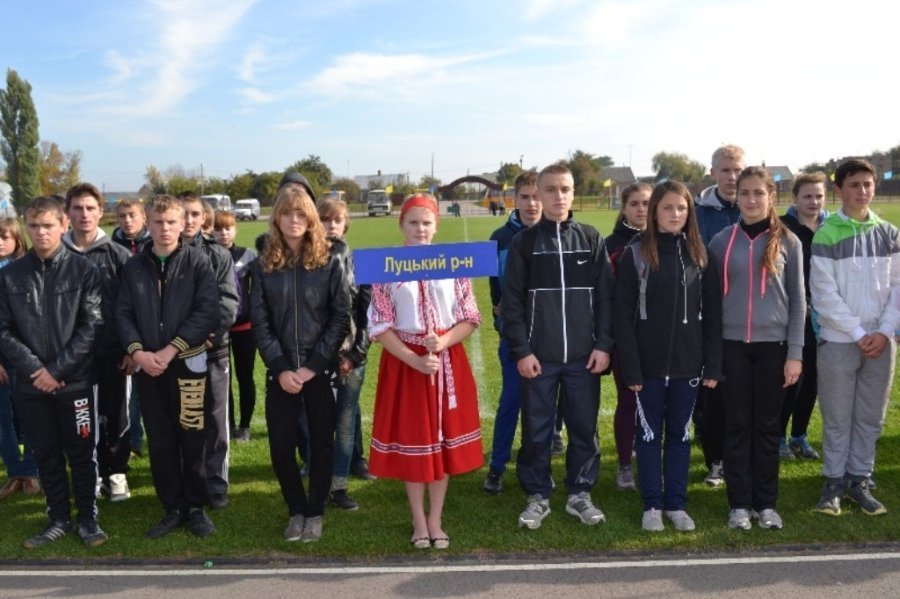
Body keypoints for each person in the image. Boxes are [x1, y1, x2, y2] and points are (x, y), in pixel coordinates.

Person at [368, 192, 483, 549]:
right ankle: (419, 521)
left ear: (436, 226)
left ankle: (436, 520)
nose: (420, 229)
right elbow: (380, 325)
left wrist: (444, 340)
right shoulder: (386, 267)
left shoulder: (453, 264)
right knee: (415, 441)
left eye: (426, 222)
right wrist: (415, 359)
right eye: (413, 222)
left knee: (442, 441)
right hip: (406, 363)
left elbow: (470, 315)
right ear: (401, 224)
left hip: (446, 359)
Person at [502, 163, 614, 530]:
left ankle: (580, 492)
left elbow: (606, 298)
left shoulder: (591, 238)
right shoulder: (524, 243)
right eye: (550, 189)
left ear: (573, 192)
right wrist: (523, 351)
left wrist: (603, 345)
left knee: (583, 427)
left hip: (584, 357)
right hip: (540, 357)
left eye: (564, 189)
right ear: (538, 194)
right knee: (537, 430)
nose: (558, 196)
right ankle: (537, 495)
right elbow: (512, 303)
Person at [614, 181, 723, 532]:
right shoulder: (635, 254)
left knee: (680, 435)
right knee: (648, 437)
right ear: (654, 212)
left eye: (681, 208)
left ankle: (676, 504)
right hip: (646, 368)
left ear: (689, 212)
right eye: (667, 208)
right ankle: (652, 505)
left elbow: (714, 314)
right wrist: (631, 368)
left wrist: (713, 363)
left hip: (688, 367)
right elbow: (622, 318)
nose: (675, 214)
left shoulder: (701, 255)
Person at [0, 196, 105, 548]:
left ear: (63, 224)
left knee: (82, 454)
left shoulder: (85, 271)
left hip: (75, 383)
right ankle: (58, 518)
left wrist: (57, 370)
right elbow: (3, 330)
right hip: (31, 386)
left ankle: (88, 519)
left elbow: (92, 326)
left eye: (48, 225)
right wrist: (36, 370)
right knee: (45, 454)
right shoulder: (10, 275)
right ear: (26, 228)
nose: (41, 232)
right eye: (34, 226)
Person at [116, 194, 220, 538]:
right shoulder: (134, 266)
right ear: (148, 223)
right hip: (149, 368)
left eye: (172, 222)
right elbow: (123, 313)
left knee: (193, 437)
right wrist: (139, 353)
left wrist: (172, 349)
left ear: (183, 223)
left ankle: (196, 507)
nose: (165, 228)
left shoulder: (199, 262)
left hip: (188, 365)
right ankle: (172, 507)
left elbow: (207, 311)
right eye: (158, 222)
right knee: (160, 440)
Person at [251, 185, 350, 543]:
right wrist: (280, 367)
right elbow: (260, 320)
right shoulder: (265, 262)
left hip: (318, 370)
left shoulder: (329, 259)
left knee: (321, 444)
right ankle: (296, 509)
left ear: (310, 219)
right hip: (281, 371)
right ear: (276, 217)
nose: (293, 220)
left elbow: (340, 315)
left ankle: (316, 510)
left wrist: (314, 365)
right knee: (281, 446)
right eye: (286, 213)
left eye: (300, 214)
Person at [708, 166, 805, 531]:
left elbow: (799, 302)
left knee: (766, 428)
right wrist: (712, 354)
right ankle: (738, 504)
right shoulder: (721, 241)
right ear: (737, 197)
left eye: (758, 193)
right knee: (736, 426)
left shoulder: (789, 242)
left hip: (774, 349)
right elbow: (710, 303)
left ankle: (765, 504)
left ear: (770, 197)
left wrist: (794, 353)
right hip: (731, 347)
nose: (751, 200)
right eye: (744, 193)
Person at [811, 158, 900, 517]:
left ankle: (859, 479)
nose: (862, 191)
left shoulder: (890, 233)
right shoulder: (826, 233)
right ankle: (833, 482)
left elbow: (898, 288)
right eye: (854, 185)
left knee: (870, 417)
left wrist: (885, 331)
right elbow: (823, 294)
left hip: (881, 342)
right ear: (839, 190)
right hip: (839, 341)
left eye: (867, 184)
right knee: (837, 417)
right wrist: (860, 333)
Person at [63, 183, 133, 502]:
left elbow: (131, 307)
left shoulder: (119, 255)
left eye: (90, 208)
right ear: (67, 213)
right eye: (77, 208)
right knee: (81, 418)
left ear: (101, 212)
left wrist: (131, 349)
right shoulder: (56, 255)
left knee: (116, 415)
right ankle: (88, 474)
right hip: (71, 357)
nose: (84, 214)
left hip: (112, 353)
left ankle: (116, 473)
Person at [177, 192, 239, 511]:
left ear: (204, 219)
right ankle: (186, 481)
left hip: (213, 350)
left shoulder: (218, 254)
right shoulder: (160, 253)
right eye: (183, 214)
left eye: (194, 214)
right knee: (182, 420)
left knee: (215, 420)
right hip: (174, 355)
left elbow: (228, 302)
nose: (188, 220)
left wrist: (206, 337)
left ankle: (215, 483)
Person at [483, 170, 541, 495]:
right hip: (515, 338)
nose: (532, 204)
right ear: (514, 199)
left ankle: (536, 465)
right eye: (525, 197)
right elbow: (496, 293)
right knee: (512, 399)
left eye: (537, 197)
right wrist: (503, 323)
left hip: (550, 338)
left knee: (545, 404)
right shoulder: (499, 238)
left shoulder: (557, 235)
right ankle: (497, 466)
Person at [694, 144, 746, 488]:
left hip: (747, 320)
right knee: (711, 394)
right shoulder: (697, 213)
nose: (732, 177)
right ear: (713, 172)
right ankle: (715, 459)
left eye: (737, 170)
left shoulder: (754, 207)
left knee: (742, 395)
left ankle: (739, 457)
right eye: (725, 170)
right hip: (706, 319)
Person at [317, 198, 372, 511]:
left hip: (349, 356)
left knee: (346, 419)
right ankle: (318, 479)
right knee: (316, 420)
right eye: (325, 220)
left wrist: (354, 355)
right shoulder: (306, 262)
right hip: (315, 357)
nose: (331, 226)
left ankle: (338, 485)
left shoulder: (360, 263)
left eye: (337, 220)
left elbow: (367, 316)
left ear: (346, 224)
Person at [779, 172, 828, 461]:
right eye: (807, 196)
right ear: (795, 198)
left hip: (826, 316)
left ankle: (799, 436)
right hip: (793, 314)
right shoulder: (782, 228)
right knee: (791, 380)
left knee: (813, 381)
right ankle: (778, 437)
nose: (814, 201)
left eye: (819, 196)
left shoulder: (831, 227)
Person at [605, 182, 651, 492]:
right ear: (623, 208)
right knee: (628, 401)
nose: (641, 209)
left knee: (656, 404)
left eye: (646, 203)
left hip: (660, 338)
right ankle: (624, 465)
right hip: (625, 338)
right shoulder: (610, 245)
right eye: (634, 203)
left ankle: (650, 461)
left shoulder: (668, 240)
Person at [0, 218, 41, 500]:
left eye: (5, 237)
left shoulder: (27, 271)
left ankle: (31, 471)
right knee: (3, 419)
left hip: (27, 355)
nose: (0, 242)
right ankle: (15, 473)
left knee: (32, 416)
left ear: (17, 241)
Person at [212, 210, 258, 443]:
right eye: (218, 229)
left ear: (235, 230)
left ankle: (245, 426)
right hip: (218, 329)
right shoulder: (207, 255)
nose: (223, 233)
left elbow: (257, 290)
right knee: (223, 379)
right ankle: (227, 424)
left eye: (228, 228)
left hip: (244, 327)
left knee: (245, 377)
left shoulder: (248, 255)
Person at [111, 198, 151, 458]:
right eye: (122, 216)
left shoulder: (154, 244)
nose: (127, 220)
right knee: (129, 393)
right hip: (124, 328)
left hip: (152, 327)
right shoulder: (111, 247)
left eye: (132, 215)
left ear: (143, 217)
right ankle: (134, 440)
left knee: (152, 391)